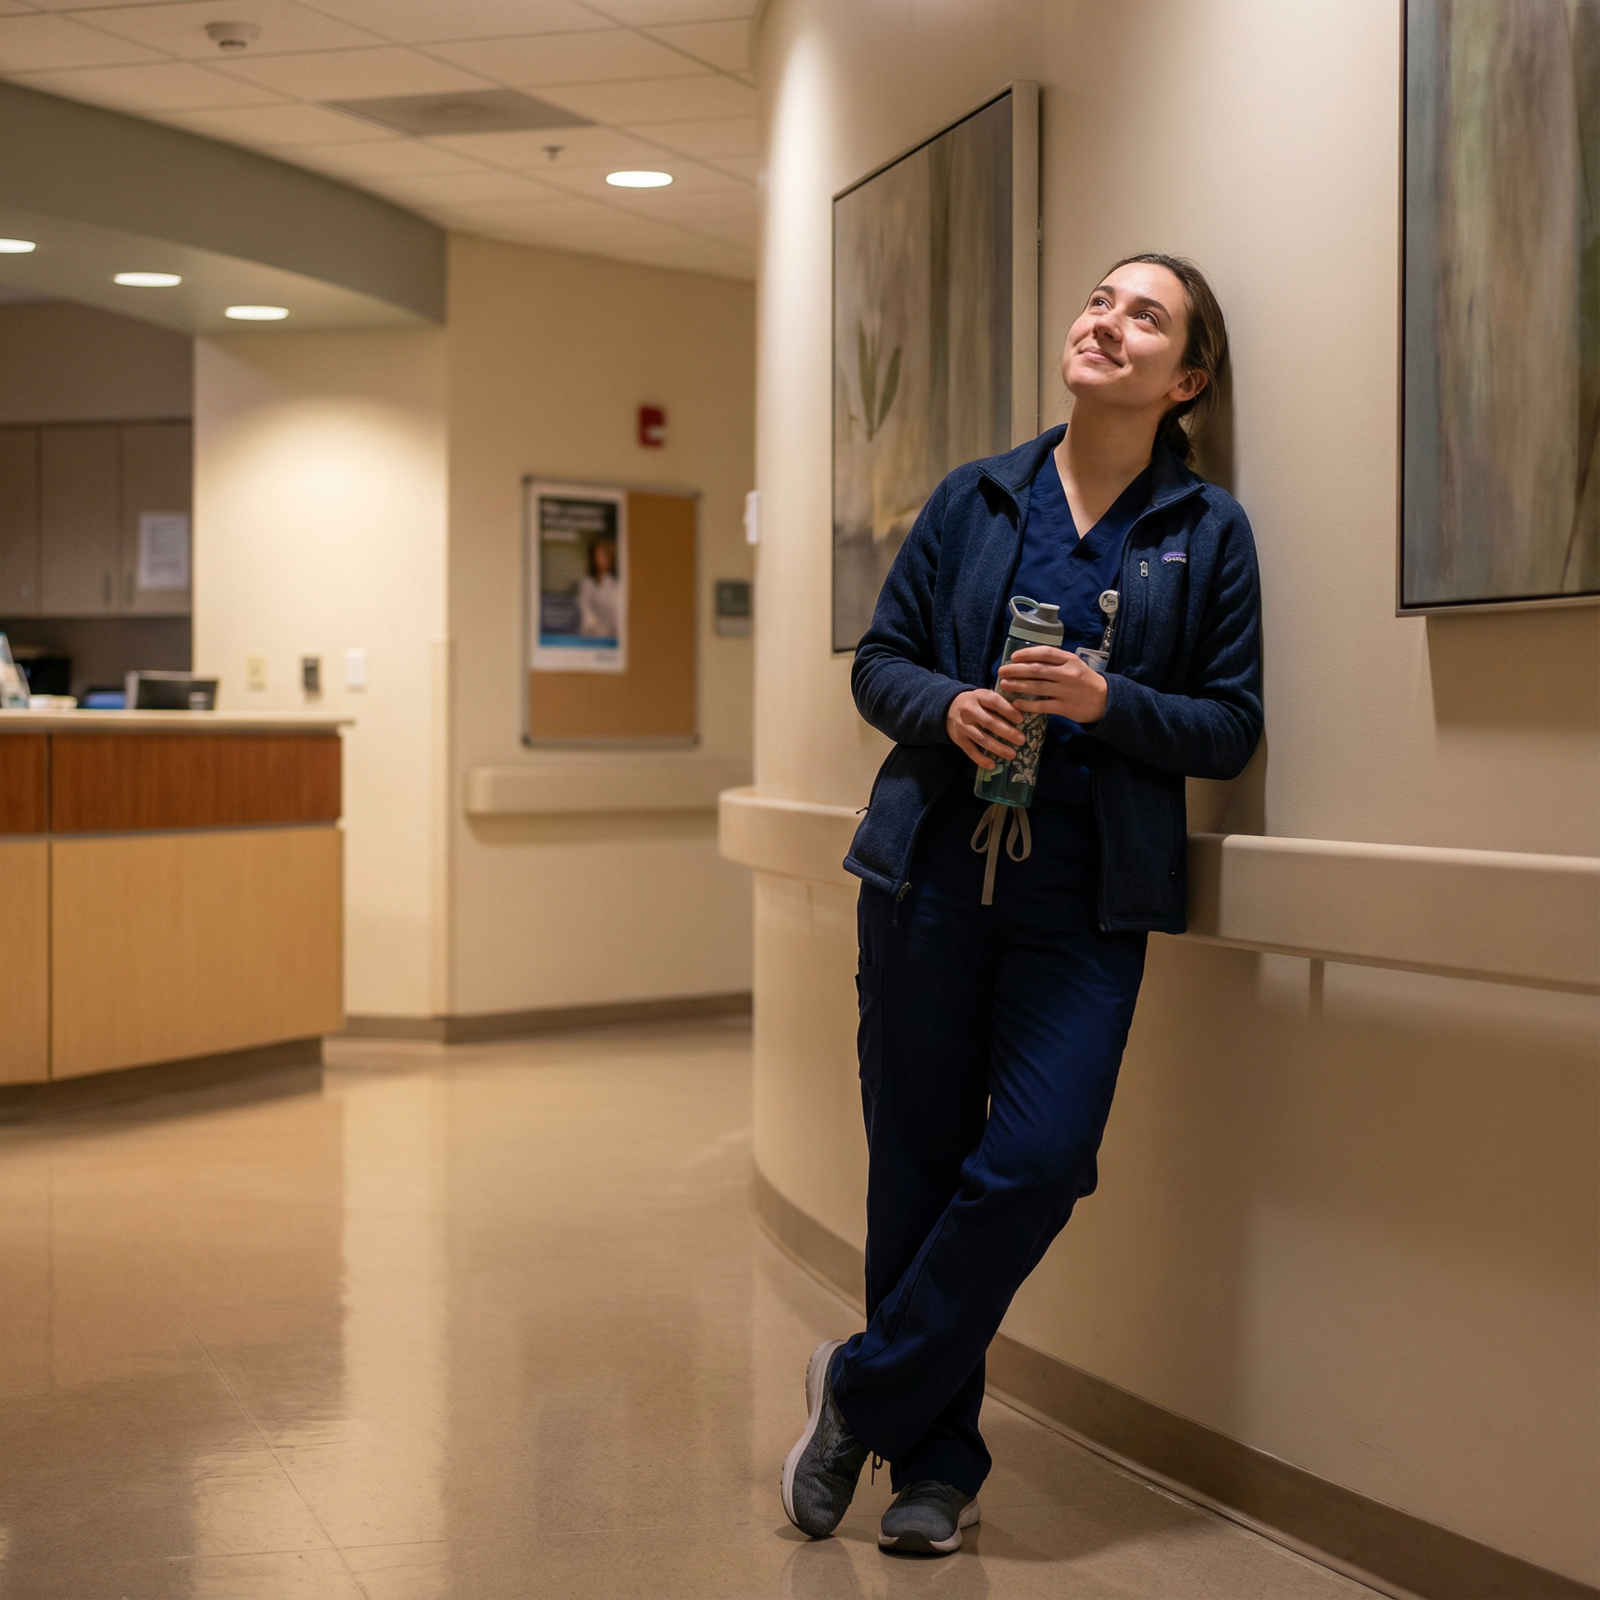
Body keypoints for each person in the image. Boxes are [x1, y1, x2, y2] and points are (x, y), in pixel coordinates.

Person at [781, 254, 1263, 1555]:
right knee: (918, 1171)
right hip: (929, 882)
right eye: (1101, 301)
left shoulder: (1204, 534)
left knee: (1040, 1161)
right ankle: (934, 1470)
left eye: (1144, 316)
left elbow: (1230, 726)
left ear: (1187, 379)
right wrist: (948, 704)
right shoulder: (974, 500)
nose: (1108, 323)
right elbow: (881, 664)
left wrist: (1116, 706)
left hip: (1084, 906)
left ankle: (863, 1388)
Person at [578, 537, 620, 638]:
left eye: (603, 554)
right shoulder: (586, 582)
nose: (599, 558)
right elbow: (583, 606)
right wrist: (593, 625)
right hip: (589, 635)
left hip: (611, 636)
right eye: (596, 554)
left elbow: (615, 613)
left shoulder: (617, 585)